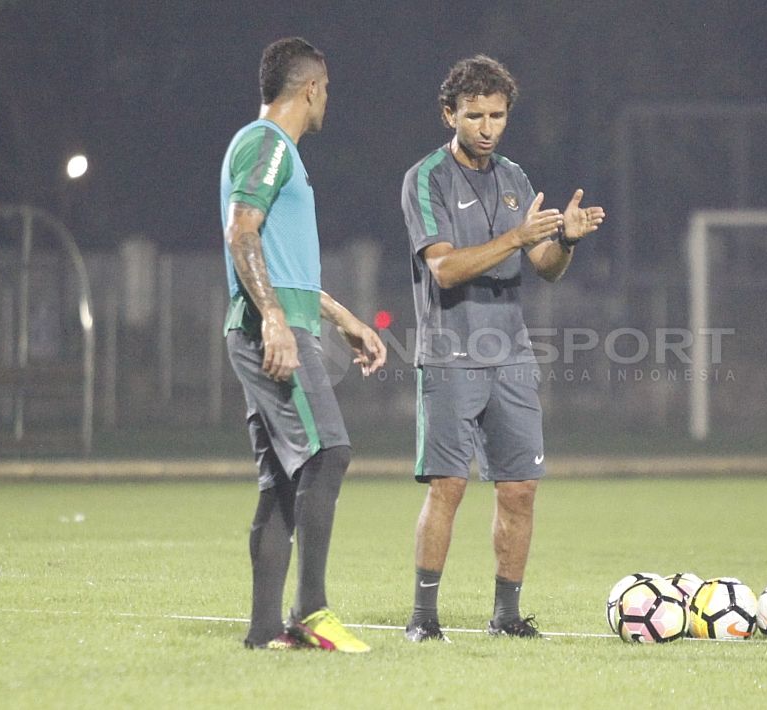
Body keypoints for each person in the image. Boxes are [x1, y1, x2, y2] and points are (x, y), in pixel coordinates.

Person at [400, 55, 605, 642]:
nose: (487, 126)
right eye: (474, 115)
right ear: (450, 114)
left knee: (519, 489)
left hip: (511, 358)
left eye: (497, 115)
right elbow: (442, 270)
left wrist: (563, 238)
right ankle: (423, 619)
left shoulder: (515, 177)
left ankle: (507, 617)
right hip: (450, 355)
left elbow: (545, 269)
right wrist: (516, 237)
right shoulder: (426, 178)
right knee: (449, 487)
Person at [220, 37, 386, 652]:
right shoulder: (266, 144)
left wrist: (343, 317)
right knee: (329, 453)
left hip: (273, 322)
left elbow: (284, 267)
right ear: (312, 87)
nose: (327, 101)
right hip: (271, 331)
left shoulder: (274, 149)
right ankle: (311, 613)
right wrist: (274, 320)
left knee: (284, 481)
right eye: (327, 90)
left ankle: (265, 633)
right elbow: (243, 231)